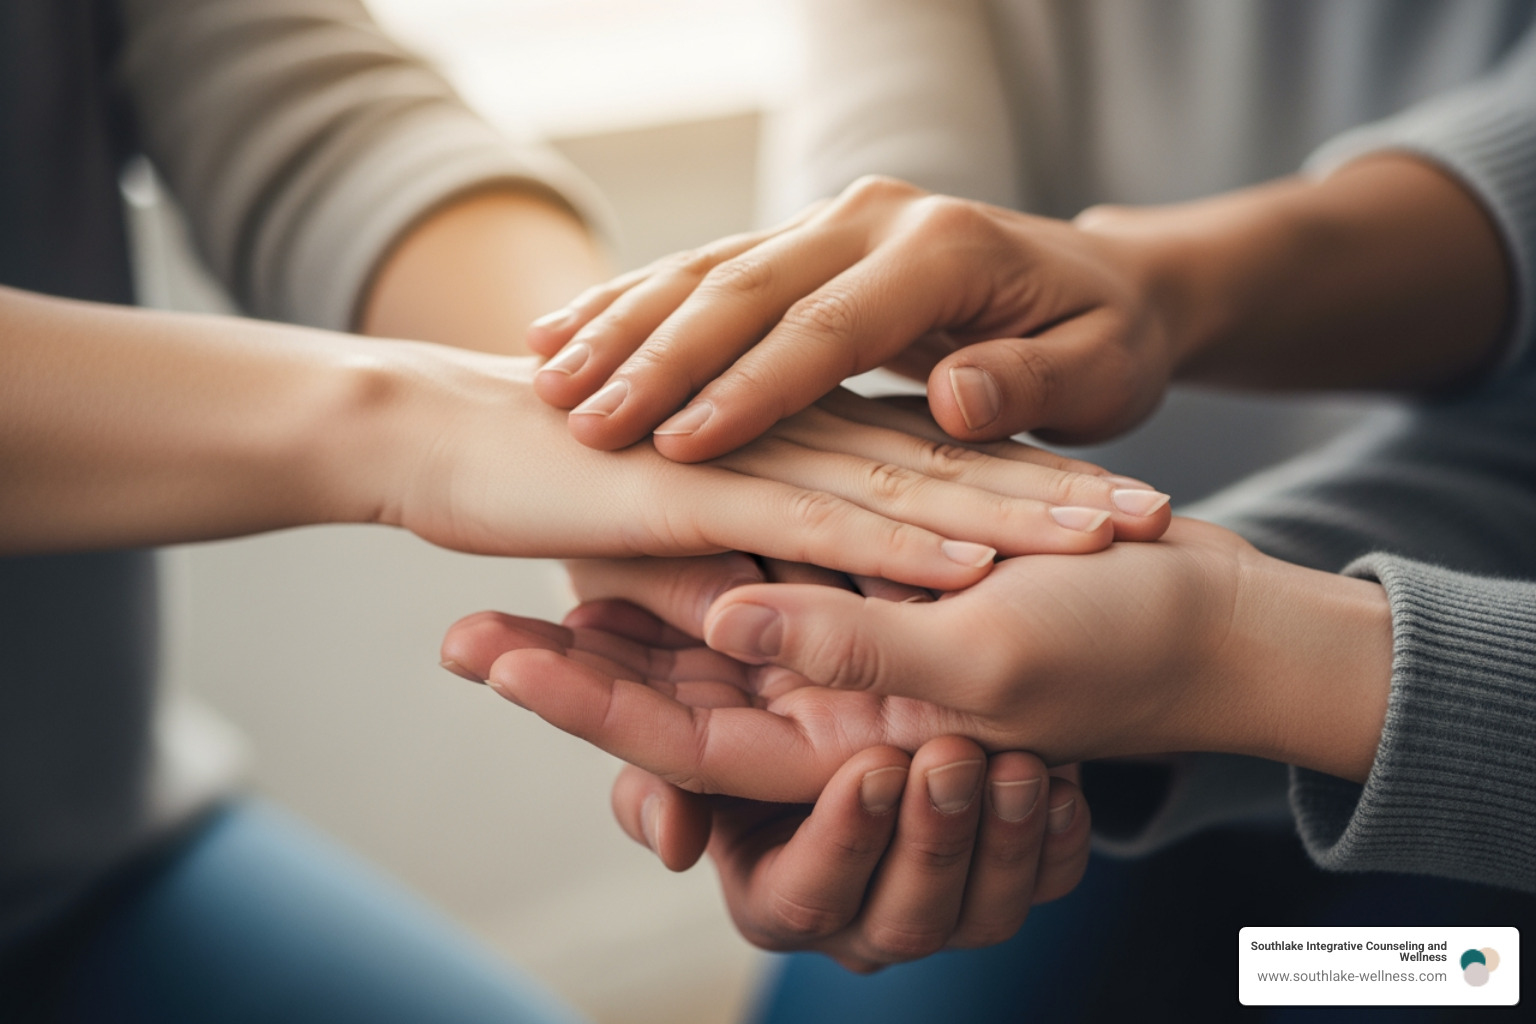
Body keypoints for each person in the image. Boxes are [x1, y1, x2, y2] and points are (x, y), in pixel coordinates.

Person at [0, 1, 1169, 1018]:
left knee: (1323, 970)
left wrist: (611, 410)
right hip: (1154, 764)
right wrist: (422, 426)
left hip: (88, 862)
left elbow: (304, 109)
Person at [443, 0, 1536, 1018]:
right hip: (1097, 719)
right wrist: (860, 346)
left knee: (1425, 976)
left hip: (1431, 724)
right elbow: (890, 194)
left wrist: (1229, 642)